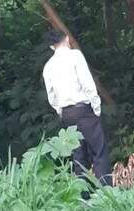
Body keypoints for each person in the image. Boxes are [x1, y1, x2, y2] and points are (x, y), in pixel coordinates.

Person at [42, 30, 112, 186]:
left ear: (52, 47)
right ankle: (107, 194)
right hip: (85, 110)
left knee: (78, 156)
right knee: (99, 152)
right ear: (67, 39)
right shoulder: (75, 56)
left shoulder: (48, 66)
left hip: (67, 114)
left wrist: (61, 111)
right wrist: (96, 107)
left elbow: (51, 96)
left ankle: (83, 198)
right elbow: (87, 84)